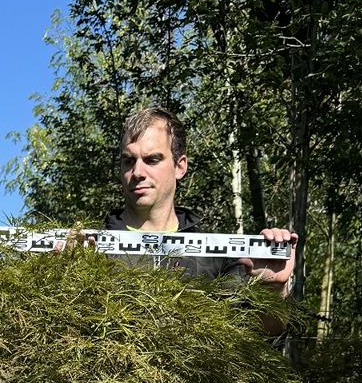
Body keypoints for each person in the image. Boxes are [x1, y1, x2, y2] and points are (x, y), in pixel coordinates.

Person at [107, 105, 297, 289]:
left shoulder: (218, 255)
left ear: (180, 167)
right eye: (129, 161)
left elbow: (259, 323)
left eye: (152, 160)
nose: (138, 172)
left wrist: (273, 288)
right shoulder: (91, 249)